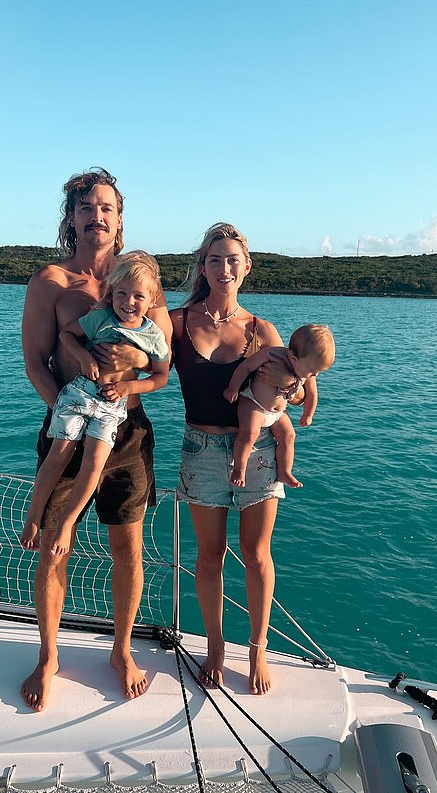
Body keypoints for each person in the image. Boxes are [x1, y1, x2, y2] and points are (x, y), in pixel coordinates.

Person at [20, 168, 172, 711]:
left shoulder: (141, 280)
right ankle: (48, 655)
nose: (97, 217)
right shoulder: (51, 282)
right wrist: (66, 414)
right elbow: (36, 361)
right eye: (87, 209)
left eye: (106, 208)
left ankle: (121, 650)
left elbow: (161, 362)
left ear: (120, 218)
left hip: (126, 434)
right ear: (72, 218)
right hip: (69, 423)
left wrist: (135, 371)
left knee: (127, 546)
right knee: (52, 546)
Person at [170, 222, 304, 696]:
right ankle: (215, 647)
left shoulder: (261, 330)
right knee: (209, 558)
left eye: (233, 260)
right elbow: (142, 362)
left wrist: (294, 392)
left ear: (246, 267)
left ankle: (258, 647)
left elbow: (293, 386)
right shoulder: (179, 322)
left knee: (256, 554)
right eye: (214, 259)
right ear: (201, 266)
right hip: (200, 450)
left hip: (260, 452)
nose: (223, 268)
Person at [20, 251, 169, 556]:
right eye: (122, 294)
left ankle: (68, 521)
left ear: (152, 298)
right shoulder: (99, 316)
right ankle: (33, 517)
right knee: (58, 455)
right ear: (111, 294)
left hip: (113, 411)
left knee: (94, 463)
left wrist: (130, 382)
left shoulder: (153, 335)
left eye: (139, 296)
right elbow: (66, 336)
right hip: (77, 397)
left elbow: (161, 375)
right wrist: (84, 357)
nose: (129, 302)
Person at [223, 324, 335, 489]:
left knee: (289, 436)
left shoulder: (308, 368)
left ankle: (284, 471)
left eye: (318, 372)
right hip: (254, 402)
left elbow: (312, 394)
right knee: (249, 433)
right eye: (313, 371)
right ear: (294, 358)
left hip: (278, 413)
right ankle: (239, 469)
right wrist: (233, 388)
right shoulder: (272, 355)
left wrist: (308, 414)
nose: (315, 375)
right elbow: (246, 367)